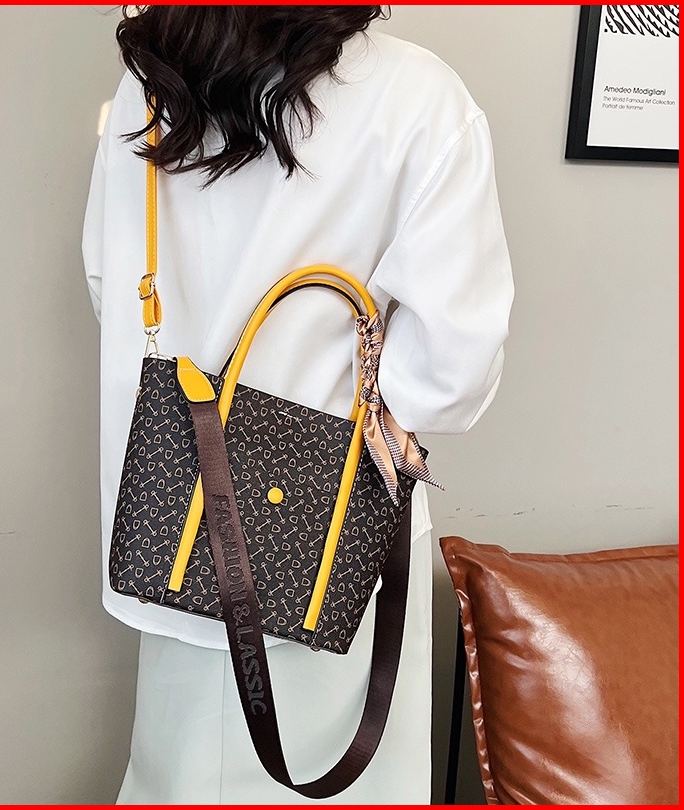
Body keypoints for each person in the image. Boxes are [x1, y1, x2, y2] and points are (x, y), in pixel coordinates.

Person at [82, 6, 513, 804]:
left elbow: (111, 281)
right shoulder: (418, 95)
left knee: (184, 775)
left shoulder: (157, 76)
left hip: (170, 520)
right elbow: (454, 369)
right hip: (330, 537)